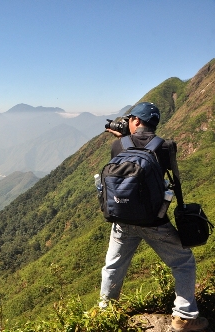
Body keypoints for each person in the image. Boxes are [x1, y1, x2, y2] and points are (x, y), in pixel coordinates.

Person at [100, 102, 208, 331]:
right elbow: (172, 178)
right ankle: (184, 317)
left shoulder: (117, 145)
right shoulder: (167, 146)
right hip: (154, 220)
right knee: (183, 262)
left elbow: (125, 152)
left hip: (122, 220)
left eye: (131, 119)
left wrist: (123, 137)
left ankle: (105, 312)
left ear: (136, 121)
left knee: (113, 266)